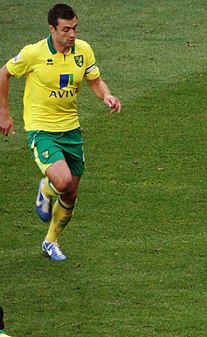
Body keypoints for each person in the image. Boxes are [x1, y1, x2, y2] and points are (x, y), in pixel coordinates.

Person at [0, 3, 121, 261]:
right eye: (66, 29)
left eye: (75, 28)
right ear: (52, 29)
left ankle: (50, 242)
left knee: (71, 192)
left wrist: (107, 96)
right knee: (62, 181)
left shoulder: (83, 51)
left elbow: (95, 81)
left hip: (71, 130)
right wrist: (4, 113)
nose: (72, 35)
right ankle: (45, 189)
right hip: (42, 130)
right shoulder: (34, 53)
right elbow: (4, 74)